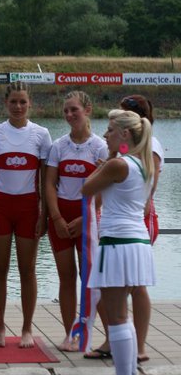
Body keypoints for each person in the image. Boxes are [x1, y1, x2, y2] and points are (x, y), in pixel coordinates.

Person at [86, 94, 162, 362]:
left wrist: (108, 160)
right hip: (136, 240)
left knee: (118, 315)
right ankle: (130, 360)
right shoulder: (141, 162)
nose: (105, 135)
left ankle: (128, 364)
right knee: (122, 311)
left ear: (126, 133)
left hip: (117, 242)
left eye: (110, 130)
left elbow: (86, 189)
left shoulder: (120, 163)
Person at [0, 81, 52, 348]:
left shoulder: (41, 134)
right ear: (5, 103)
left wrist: (44, 214)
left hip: (28, 208)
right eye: (13, 102)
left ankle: (26, 329)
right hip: (0, 207)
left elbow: (46, 179)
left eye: (23, 102)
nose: (18, 107)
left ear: (30, 103)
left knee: (27, 270)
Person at [45, 91, 107, 352]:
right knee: (67, 277)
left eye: (74, 110)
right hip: (60, 217)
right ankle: (70, 334)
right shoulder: (58, 146)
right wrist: (56, 217)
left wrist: (86, 218)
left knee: (91, 279)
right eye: (66, 111)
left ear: (88, 110)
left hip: (88, 219)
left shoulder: (100, 147)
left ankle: (106, 336)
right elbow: (49, 184)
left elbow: (105, 189)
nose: (69, 115)